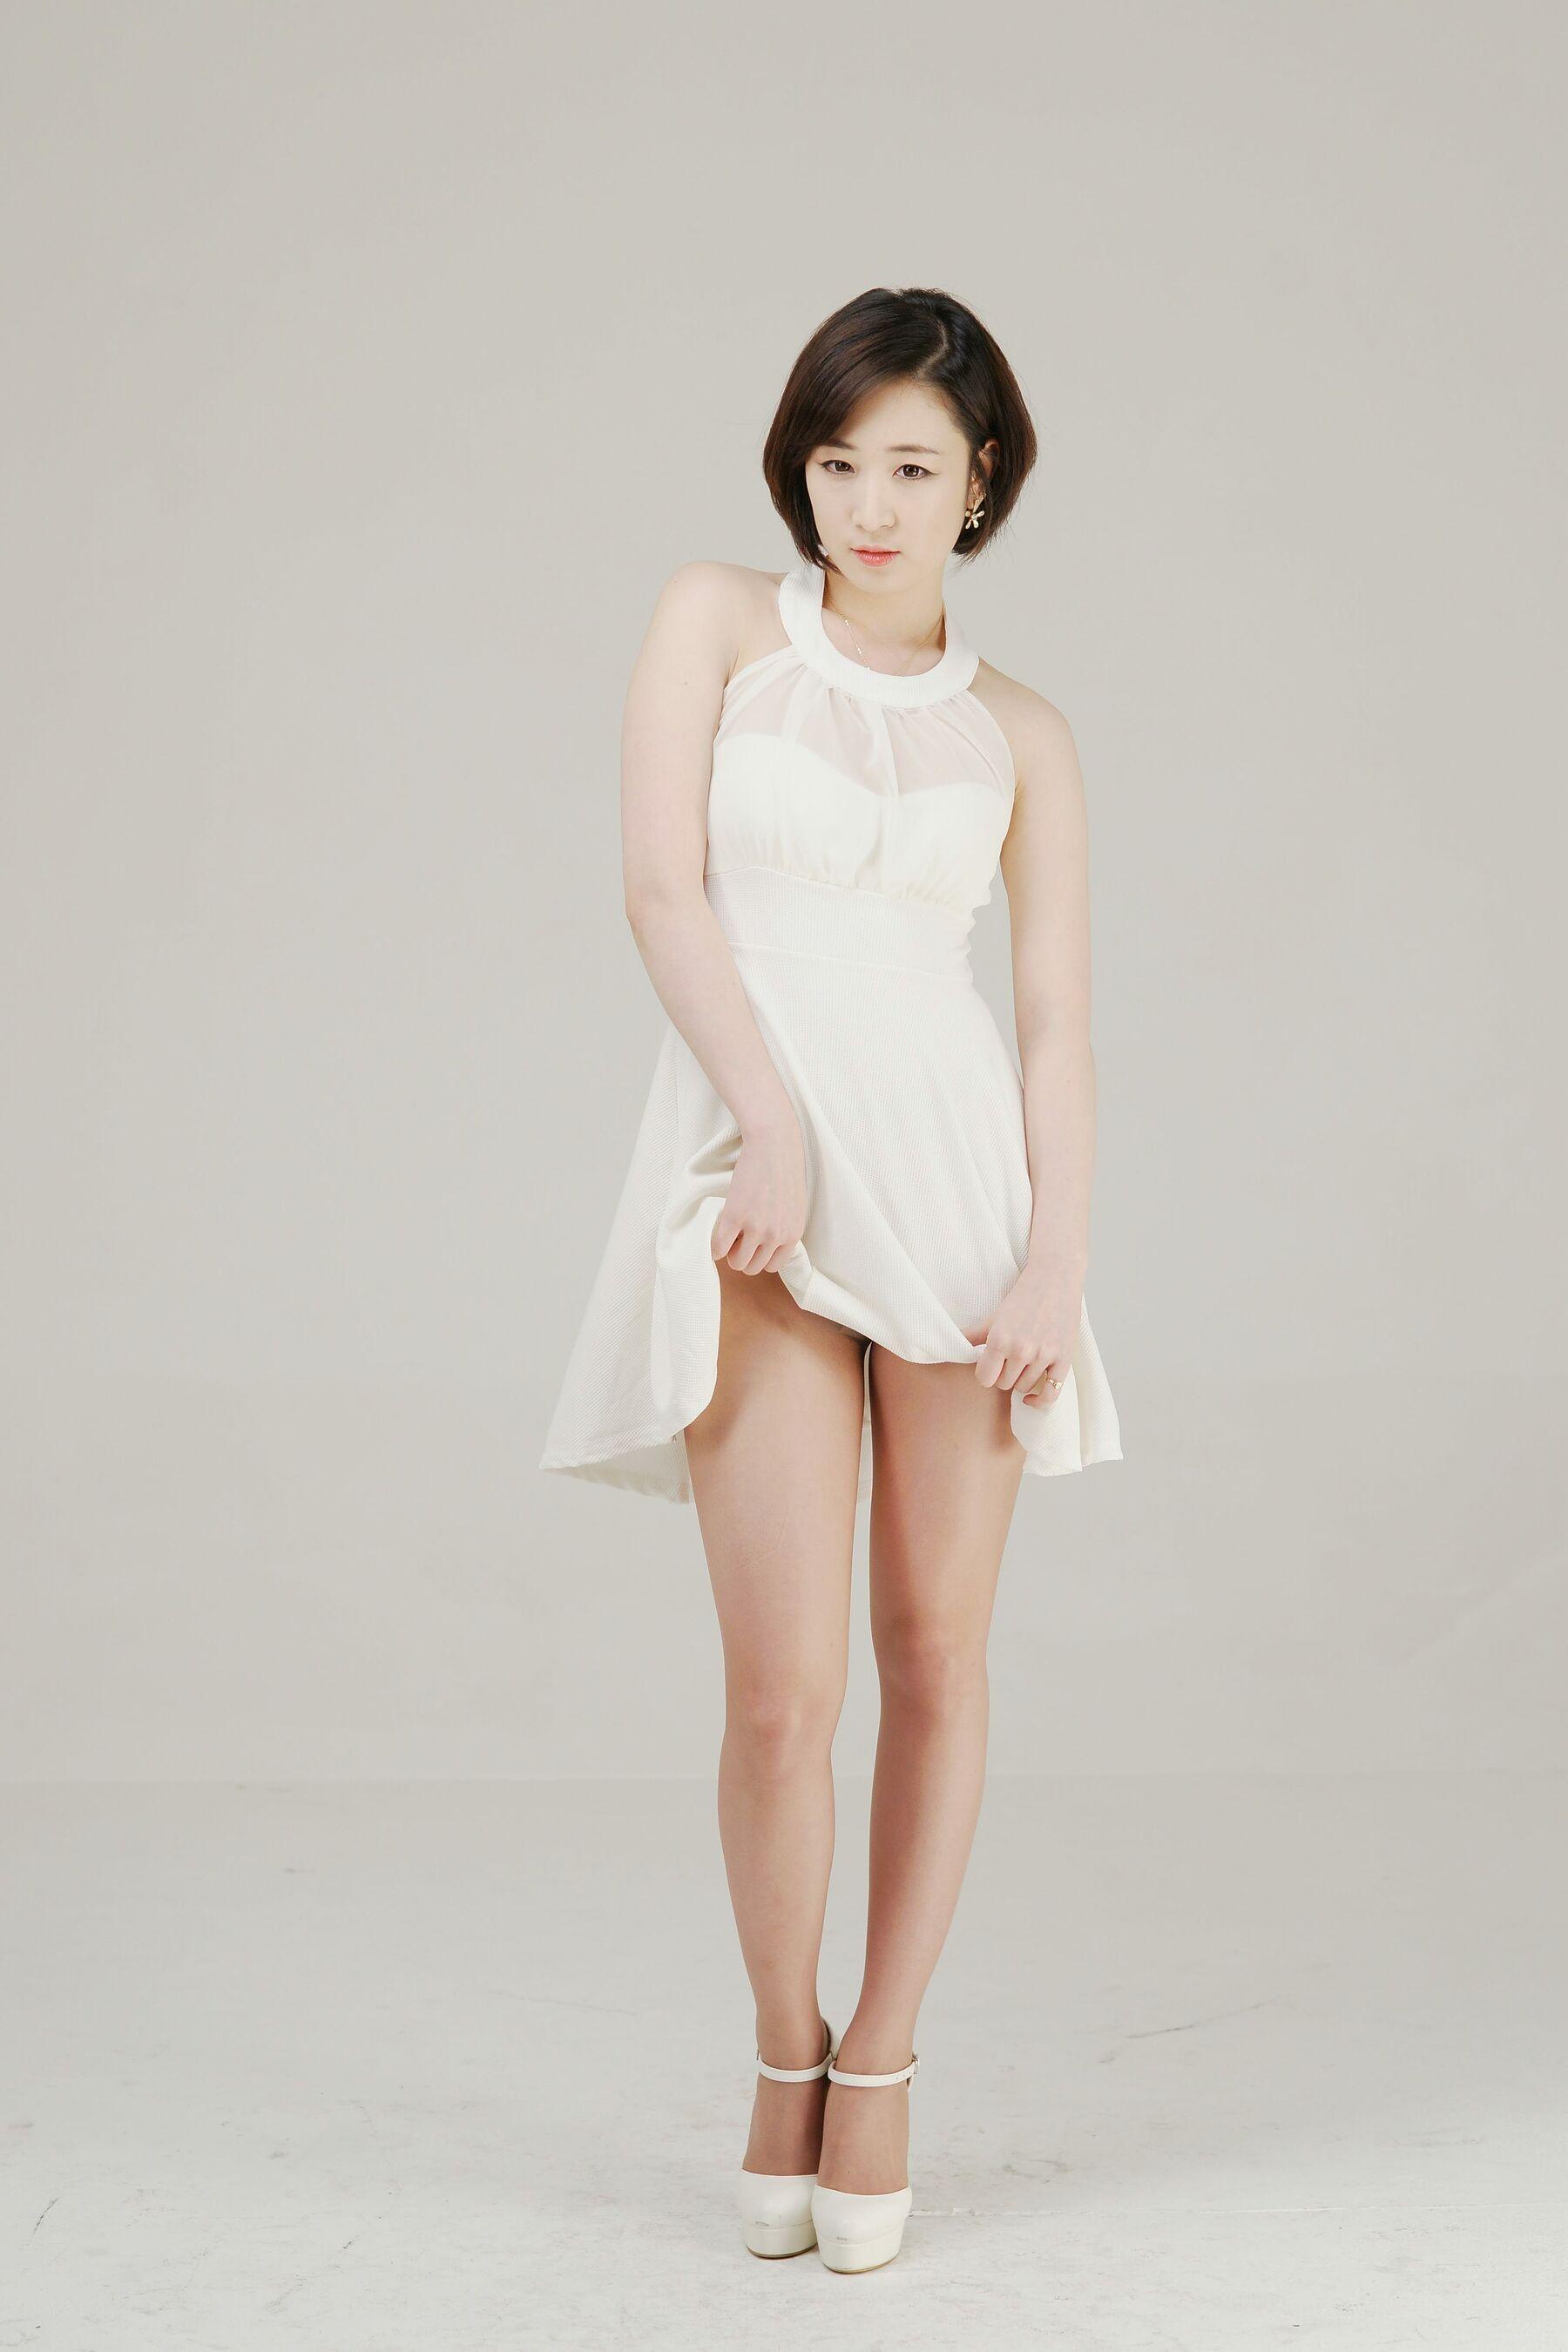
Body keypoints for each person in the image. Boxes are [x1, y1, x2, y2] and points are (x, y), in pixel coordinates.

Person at [540, 285, 1124, 2274]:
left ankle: (882, 2061)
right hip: (764, 1192)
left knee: (937, 1655)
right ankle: (781, 2046)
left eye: (914, 469)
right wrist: (766, 1126)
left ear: (983, 485)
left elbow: (1053, 1022)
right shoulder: (717, 621)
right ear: (801, 466)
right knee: (784, 1693)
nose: (869, 506)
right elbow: (660, 888)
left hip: (961, 1205)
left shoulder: (1023, 731)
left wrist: (1056, 1259)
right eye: (839, 460)